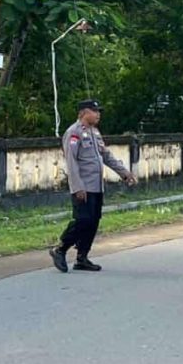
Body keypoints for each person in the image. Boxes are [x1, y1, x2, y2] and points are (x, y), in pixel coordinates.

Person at [50, 99, 137, 273]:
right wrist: (77, 187)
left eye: (99, 111)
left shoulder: (95, 133)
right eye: (95, 111)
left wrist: (124, 173)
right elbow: (72, 162)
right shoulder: (73, 133)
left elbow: (106, 156)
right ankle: (60, 249)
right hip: (83, 187)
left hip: (96, 186)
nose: (98, 115)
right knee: (83, 220)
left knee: (93, 222)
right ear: (83, 112)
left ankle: (82, 257)